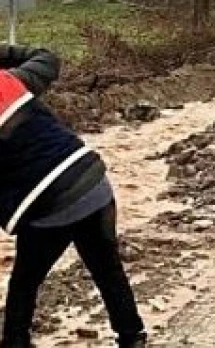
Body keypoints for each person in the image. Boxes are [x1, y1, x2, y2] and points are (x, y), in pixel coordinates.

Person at [0, 45, 146, 348]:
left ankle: (15, 342)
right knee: (107, 270)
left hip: (48, 202)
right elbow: (47, 59)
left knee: (24, 284)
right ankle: (132, 336)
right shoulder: (9, 81)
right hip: (92, 180)